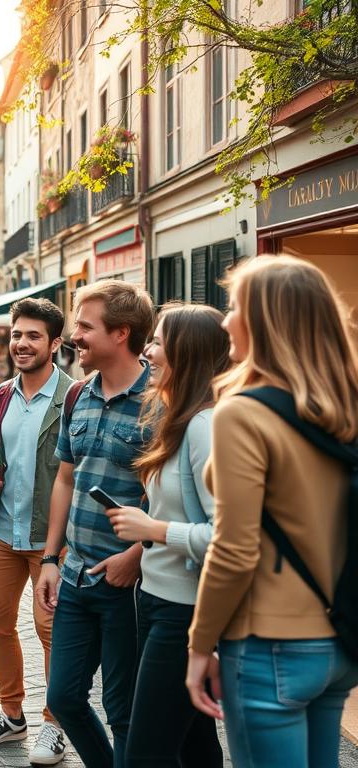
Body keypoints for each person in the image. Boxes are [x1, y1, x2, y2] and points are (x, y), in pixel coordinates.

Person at [186, 256, 358, 768]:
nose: (224, 320)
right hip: (339, 639)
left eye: (235, 307)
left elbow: (235, 547)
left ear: (265, 320)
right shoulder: (346, 407)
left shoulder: (244, 412)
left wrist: (200, 647)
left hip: (270, 642)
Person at [36, 280, 155, 768]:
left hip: (127, 582)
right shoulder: (78, 395)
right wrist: (49, 557)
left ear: (121, 333)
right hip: (76, 573)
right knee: (63, 698)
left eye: (85, 326)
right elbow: (65, 479)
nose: (74, 336)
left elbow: (177, 498)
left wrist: (137, 555)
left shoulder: (161, 402)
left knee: (123, 711)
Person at [103, 304, 228, 767]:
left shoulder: (205, 426)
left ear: (187, 354)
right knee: (194, 744)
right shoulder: (179, 420)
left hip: (186, 611)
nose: (148, 352)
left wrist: (153, 530)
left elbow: (230, 535)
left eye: (157, 342)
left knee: (147, 753)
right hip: (155, 599)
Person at [0, 299, 73, 765]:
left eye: (32, 336)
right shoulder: (3, 395)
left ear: (54, 344)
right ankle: (12, 715)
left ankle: (55, 722)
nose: (21, 344)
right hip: (3, 533)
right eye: (16, 335)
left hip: (54, 540)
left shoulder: (75, 396)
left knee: (51, 631)